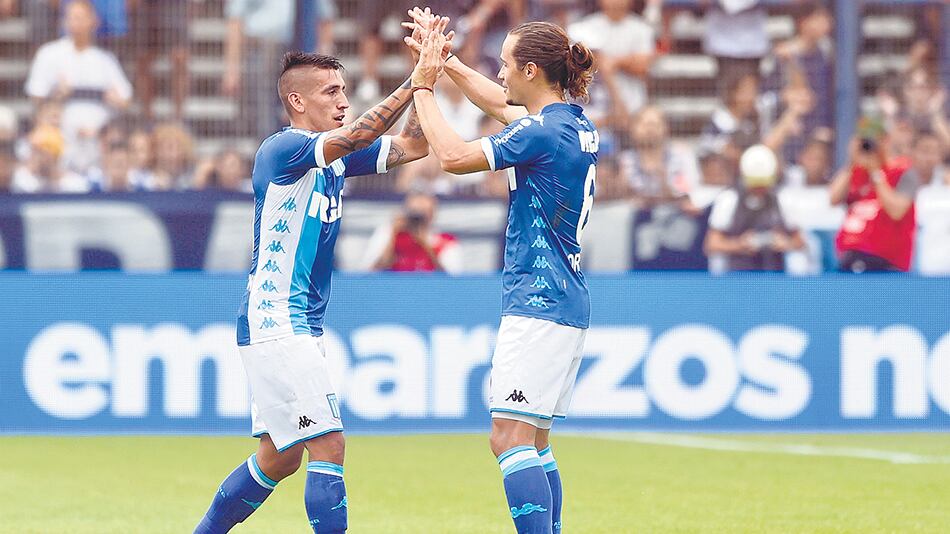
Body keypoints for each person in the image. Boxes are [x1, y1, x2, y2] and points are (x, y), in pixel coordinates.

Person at [193, 50, 430, 534]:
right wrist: (413, 81)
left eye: (343, 90)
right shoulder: (283, 149)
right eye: (331, 92)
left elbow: (412, 146)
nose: (343, 100)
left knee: (279, 457)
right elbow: (361, 133)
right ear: (296, 100)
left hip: (294, 321)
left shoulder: (335, 159)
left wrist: (431, 79)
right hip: (278, 318)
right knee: (329, 444)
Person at [405, 10, 597, 533]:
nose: (501, 72)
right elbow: (496, 101)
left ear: (531, 70)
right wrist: (446, 60)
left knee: (508, 438)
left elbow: (450, 156)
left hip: (538, 299)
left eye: (506, 63)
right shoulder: (572, 123)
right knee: (532, 439)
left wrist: (424, 87)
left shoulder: (540, 131)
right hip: (564, 298)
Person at [24, 0, 132, 173]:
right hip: (60, 142)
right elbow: (35, 96)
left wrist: (113, 100)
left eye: (81, 18)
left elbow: (126, 99)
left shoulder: (105, 59)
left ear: (94, 21)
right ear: (64, 21)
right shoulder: (49, 54)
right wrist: (57, 95)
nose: (77, 23)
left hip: (97, 142)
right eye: (72, 18)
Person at [830, 120, 916, 272]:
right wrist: (851, 162)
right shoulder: (857, 171)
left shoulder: (903, 171)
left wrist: (876, 173)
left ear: (886, 140)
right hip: (849, 258)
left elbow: (896, 211)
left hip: (886, 264)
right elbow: (833, 198)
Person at [704, 144, 805, 272]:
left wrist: (784, 243)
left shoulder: (783, 200)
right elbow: (712, 244)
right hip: (737, 279)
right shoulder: (729, 200)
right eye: (754, 185)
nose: (759, 190)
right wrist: (739, 244)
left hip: (774, 279)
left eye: (763, 185)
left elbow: (800, 242)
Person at [567, 0, 657, 122]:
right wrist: (604, 63)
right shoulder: (585, 26)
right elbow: (579, 64)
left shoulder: (641, 28)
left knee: (649, 124)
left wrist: (615, 62)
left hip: (634, 107)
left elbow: (643, 66)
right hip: (595, 106)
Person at [617, 105, 701, 209]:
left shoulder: (682, 155)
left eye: (655, 124)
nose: (650, 129)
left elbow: (688, 195)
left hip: (675, 215)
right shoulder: (625, 160)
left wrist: (663, 180)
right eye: (645, 124)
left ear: (665, 128)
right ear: (633, 128)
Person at [363, 191, 463, 272]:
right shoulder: (388, 233)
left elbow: (452, 280)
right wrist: (393, 236)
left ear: (433, 214)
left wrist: (426, 245)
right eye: (414, 211)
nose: (418, 219)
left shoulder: (445, 241)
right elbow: (370, 272)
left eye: (424, 212)